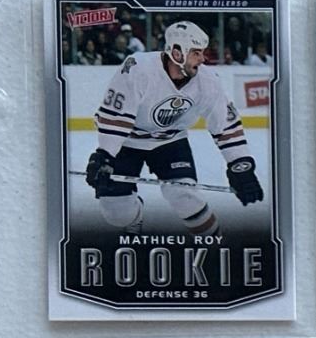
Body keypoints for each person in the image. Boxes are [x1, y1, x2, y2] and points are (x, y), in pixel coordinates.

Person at [84, 20, 263, 234]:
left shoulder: (207, 81)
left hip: (170, 141)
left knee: (185, 197)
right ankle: (133, 218)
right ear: (177, 53)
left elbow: (225, 124)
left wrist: (240, 164)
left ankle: (215, 241)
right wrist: (105, 156)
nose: (203, 59)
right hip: (127, 142)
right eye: (196, 53)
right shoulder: (138, 68)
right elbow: (116, 116)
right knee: (117, 213)